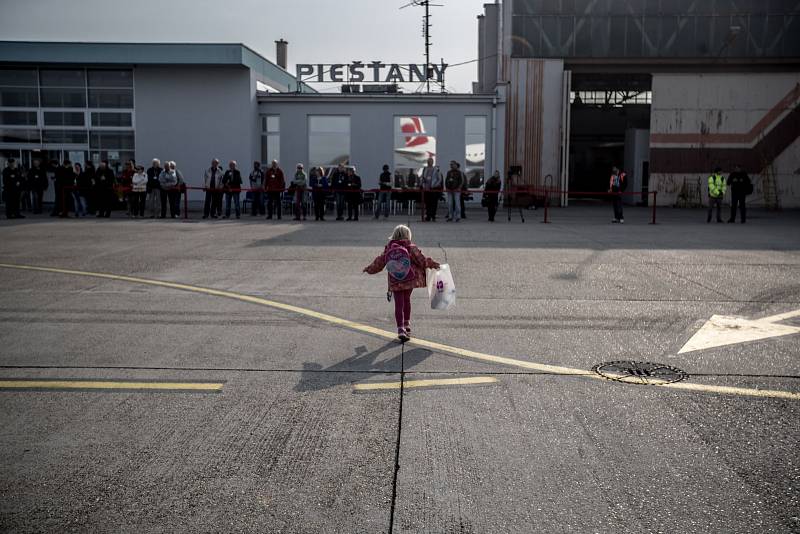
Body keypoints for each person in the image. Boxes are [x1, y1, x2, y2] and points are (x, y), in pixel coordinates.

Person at [363, 224, 441, 342]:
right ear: (408, 235)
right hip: (409, 279)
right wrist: (434, 264)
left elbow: (379, 262)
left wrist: (369, 269)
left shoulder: (389, 248)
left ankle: (400, 329)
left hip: (396, 280)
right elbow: (422, 260)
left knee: (398, 304)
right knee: (407, 301)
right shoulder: (411, 247)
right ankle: (407, 325)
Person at [420, 157, 442, 222]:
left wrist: (435, 185)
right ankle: (428, 216)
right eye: (428, 161)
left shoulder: (436, 169)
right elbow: (422, 177)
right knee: (427, 203)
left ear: (433, 162)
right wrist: (422, 183)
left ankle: (433, 216)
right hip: (426, 189)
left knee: (434, 203)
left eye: (431, 161)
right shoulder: (425, 169)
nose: (429, 162)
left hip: (433, 189)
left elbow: (439, 179)